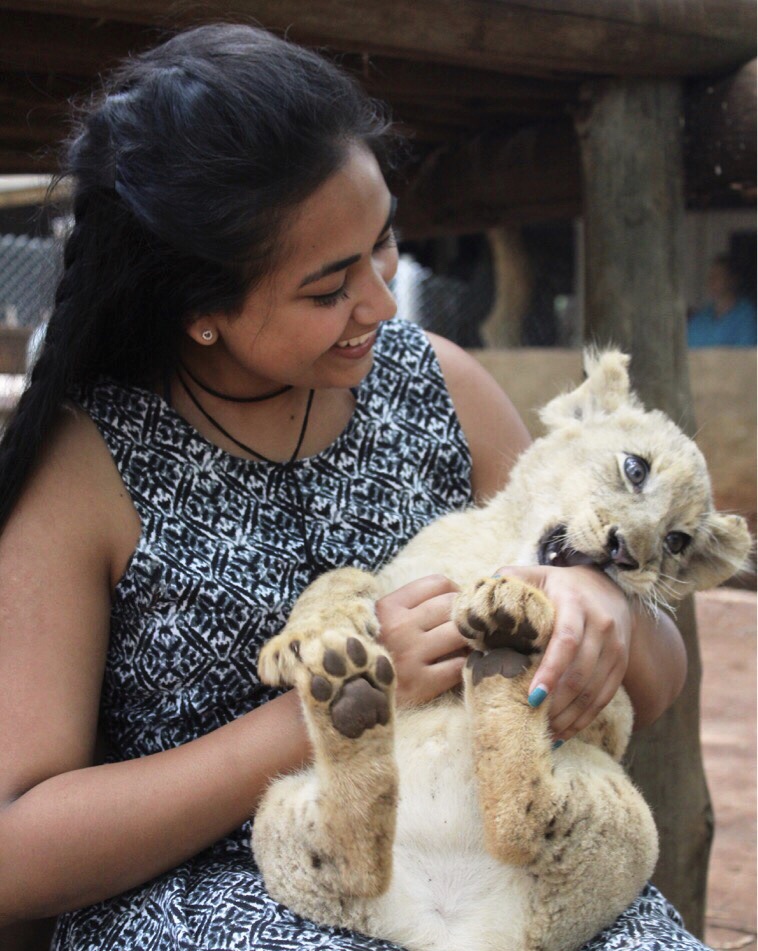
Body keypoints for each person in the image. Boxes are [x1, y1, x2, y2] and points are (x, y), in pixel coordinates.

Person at [0, 24, 704, 951]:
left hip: (498, 867)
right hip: (222, 890)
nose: (379, 300)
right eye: (328, 288)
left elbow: (657, 683)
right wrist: (336, 708)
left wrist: (601, 602)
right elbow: (17, 846)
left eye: (383, 243)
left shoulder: (439, 386)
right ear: (199, 308)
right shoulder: (87, 464)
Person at [688, 254, 756, 347]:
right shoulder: (702, 317)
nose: (711, 281)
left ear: (732, 280)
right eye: (710, 276)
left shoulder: (746, 315)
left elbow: (746, 351)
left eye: (718, 276)